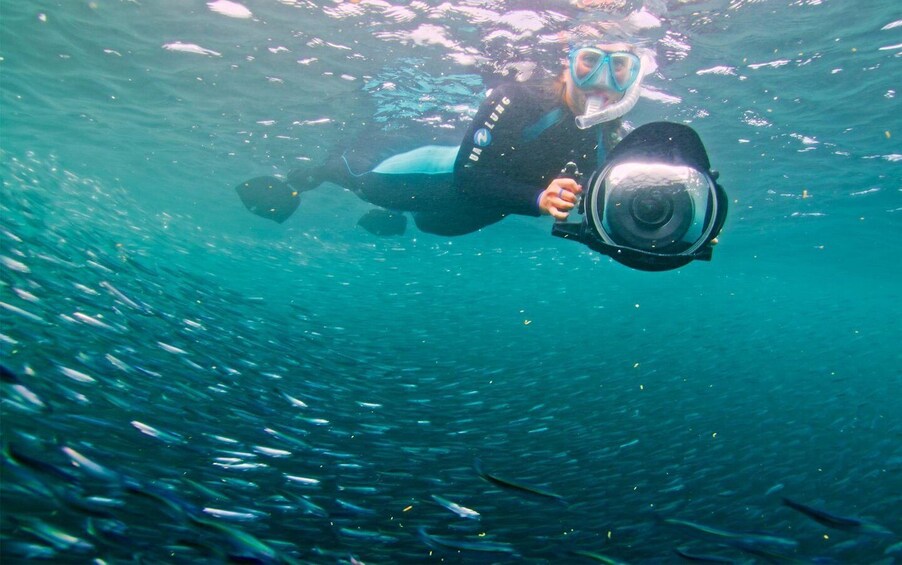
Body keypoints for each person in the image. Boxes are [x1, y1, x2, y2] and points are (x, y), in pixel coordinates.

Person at [236, 41, 653, 237]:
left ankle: (397, 221)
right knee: (355, 175)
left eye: (618, 68)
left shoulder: (608, 131)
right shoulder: (518, 97)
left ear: (633, 81)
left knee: (432, 226)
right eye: (588, 62)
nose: (601, 80)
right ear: (566, 67)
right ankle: (302, 178)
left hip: (464, 218)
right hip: (421, 181)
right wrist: (537, 199)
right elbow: (469, 176)